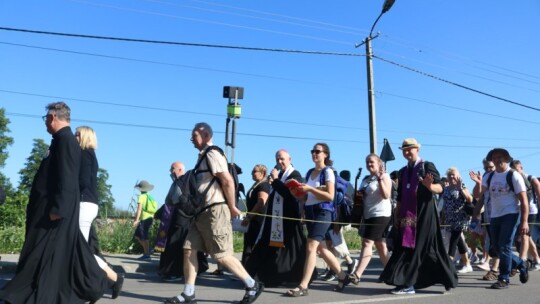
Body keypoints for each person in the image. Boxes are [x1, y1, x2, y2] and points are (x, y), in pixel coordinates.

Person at [0, 102, 109, 303]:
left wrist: (59, 208)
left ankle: (23, 293)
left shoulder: (66, 141)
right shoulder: (60, 140)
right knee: (45, 255)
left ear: (52, 118)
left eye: (45, 119)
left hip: (54, 212)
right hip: (47, 210)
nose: (45, 124)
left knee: (39, 253)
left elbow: (68, 178)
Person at [165, 122, 263, 304]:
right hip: (201, 212)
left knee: (222, 254)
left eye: (194, 135)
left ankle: (252, 285)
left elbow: (226, 180)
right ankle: (188, 293)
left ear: (206, 136)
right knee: (189, 249)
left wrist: (233, 206)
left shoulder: (213, 153)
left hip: (215, 210)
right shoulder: (202, 157)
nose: (191, 139)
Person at [379, 138, 457, 295]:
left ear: (417, 149)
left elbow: (440, 188)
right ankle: (445, 277)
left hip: (424, 214)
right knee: (411, 248)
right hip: (406, 217)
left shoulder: (426, 166)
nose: (407, 152)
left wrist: (429, 186)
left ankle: (408, 284)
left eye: (410, 149)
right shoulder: (402, 171)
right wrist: (396, 215)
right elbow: (400, 196)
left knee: (419, 248)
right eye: (404, 150)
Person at [285, 143, 351, 297]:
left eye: (317, 151)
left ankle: (303, 286)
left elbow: (330, 196)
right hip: (310, 212)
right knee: (321, 249)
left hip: (323, 212)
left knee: (311, 246)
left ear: (325, 154)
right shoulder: (309, 173)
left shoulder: (328, 172)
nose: (314, 154)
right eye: (312, 151)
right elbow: (306, 197)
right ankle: (343, 276)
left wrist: (310, 189)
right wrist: (297, 192)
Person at [244, 149, 315, 287]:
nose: (279, 162)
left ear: (289, 159)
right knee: (268, 247)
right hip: (277, 218)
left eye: (282, 159)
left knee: (294, 249)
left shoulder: (295, 174)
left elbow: (292, 195)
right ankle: (257, 275)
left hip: (289, 218)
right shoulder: (281, 175)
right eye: (277, 159)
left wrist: (276, 181)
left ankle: (295, 276)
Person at [470, 148, 529, 289]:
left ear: (507, 158)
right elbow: (482, 198)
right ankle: (521, 264)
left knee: (505, 246)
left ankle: (503, 279)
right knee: (496, 248)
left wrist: (525, 221)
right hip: (494, 216)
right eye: (494, 157)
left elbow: (524, 200)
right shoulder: (488, 177)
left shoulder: (513, 175)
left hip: (511, 214)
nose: (497, 160)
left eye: (500, 157)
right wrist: (475, 215)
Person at [76, 125, 124, 297]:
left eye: (77, 134)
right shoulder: (91, 155)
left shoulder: (84, 154)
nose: (74, 137)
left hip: (83, 204)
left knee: (79, 248)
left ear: (85, 137)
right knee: (79, 247)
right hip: (89, 203)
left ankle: (112, 278)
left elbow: (82, 181)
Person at [158, 161, 208, 281]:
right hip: (185, 218)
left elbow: (174, 200)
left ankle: (174, 272)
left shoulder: (180, 182)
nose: (170, 171)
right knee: (187, 246)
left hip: (180, 219)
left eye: (172, 169)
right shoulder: (187, 181)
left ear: (180, 169)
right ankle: (199, 268)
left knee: (175, 246)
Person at [349, 153, 392, 285]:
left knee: (367, 243)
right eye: (367, 162)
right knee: (380, 246)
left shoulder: (385, 176)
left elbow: (386, 195)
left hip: (381, 214)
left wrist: (379, 179)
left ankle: (357, 274)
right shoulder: (366, 179)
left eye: (372, 162)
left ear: (379, 164)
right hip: (368, 215)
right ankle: (391, 272)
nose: (369, 164)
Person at [470, 159, 500, 280]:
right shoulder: (486, 178)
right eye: (486, 168)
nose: (488, 170)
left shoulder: (504, 177)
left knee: (497, 244)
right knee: (492, 243)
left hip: (503, 215)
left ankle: (493, 267)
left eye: (490, 167)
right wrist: (478, 182)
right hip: (488, 216)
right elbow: (478, 196)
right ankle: (515, 264)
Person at [440, 167, 473, 273]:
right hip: (450, 218)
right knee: (459, 241)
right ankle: (467, 264)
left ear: (458, 176)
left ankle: (448, 262)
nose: (451, 177)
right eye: (449, 175)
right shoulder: (446, 189)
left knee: (454, 239)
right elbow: (444, 205)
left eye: (453, 174)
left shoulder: (462, 186)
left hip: (460, 217)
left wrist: (460, 189)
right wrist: (443, 218)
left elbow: (469, 199)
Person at [510, 160, 540, 270]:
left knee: (524, 237)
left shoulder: (531, 179)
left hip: (531, 211)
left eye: (517, 169)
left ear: (521, 167)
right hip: (519, 211)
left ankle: (522, 260)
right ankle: (536, 259)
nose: (516, 172)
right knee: (527, 237)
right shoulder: (513, 180)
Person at [241, 164, 270, 266]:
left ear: (262, 173)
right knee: (248, 244)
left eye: (254, 171)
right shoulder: (255, 185)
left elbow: (260, 203)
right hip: (253, 219)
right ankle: (245, 269)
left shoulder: (264, 185)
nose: (252, 173)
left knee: (253, 244)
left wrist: (249, 217)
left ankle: (250, 270)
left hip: (259, 219)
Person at [133, 180, 157, 260]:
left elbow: (139, 209)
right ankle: (148, 249)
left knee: (143, 236)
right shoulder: (149, 196)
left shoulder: (141, 197)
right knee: (137, 235)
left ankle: (147, 255)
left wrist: (136, 220)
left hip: (145, 219)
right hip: (149, 218)